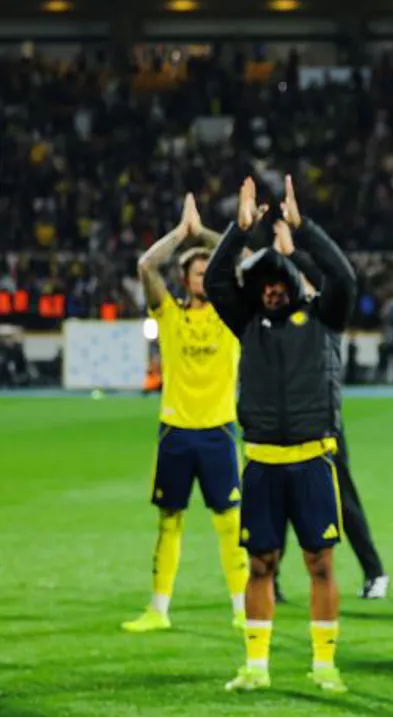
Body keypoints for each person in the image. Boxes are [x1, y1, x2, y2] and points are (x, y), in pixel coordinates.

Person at [207, 177, 357, 694]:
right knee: (261, 564)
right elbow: (215, 281)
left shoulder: (323, 318)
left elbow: (343, 277)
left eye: (278, 281)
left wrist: (303, 228)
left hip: (313, 461)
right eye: (263, 284)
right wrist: (239, 230)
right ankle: (256, 666)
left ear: (292, 282)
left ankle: (324, 665)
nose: (271, 289)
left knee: (320, 564)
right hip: (263, 464)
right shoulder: (247, 323)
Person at [122, 193, 247, 634]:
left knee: (230, 525)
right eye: (197, 272)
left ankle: (242, 607)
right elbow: (145, 266)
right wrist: (181, 232)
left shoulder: (231, 317)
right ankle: (158, 609)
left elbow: (248, 259)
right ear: (185, 278)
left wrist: (205, 233)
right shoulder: (170, 316)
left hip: (217, 432)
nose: (204, 278)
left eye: (209, 272)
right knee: (169, 522)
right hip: (176, 432)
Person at [268, 224, 388, 604]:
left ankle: (374, 571)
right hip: (281, 423)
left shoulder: (324, 313)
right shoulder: (275, 315)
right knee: (280, 501)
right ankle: (270, 578)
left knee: (343, 500)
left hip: (323, 423)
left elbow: (334, 279)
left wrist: (293, 252)